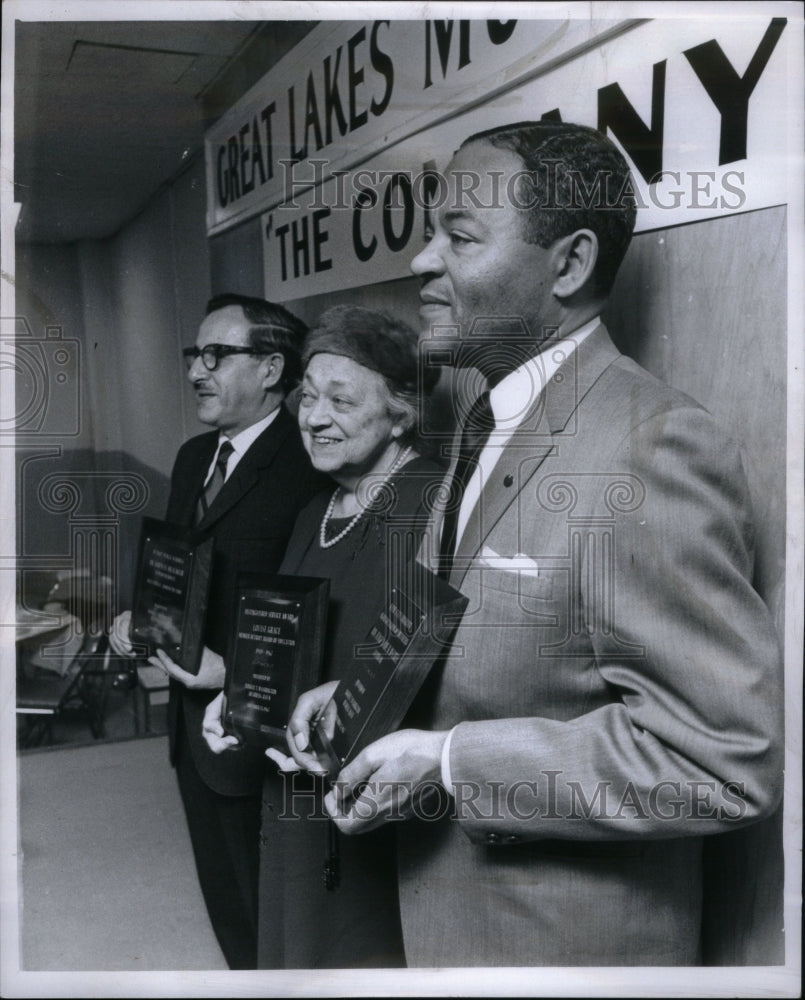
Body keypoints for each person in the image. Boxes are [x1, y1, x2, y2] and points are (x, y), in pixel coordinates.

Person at [283, 122, 784, 966]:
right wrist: (362, 695)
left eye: (459, 237)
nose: (420, 261)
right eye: (430, 231)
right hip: (448, 924)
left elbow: (719, 759)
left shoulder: (649, 447)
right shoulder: (479, 422)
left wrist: (448, 764)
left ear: (569, 263)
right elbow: (477, 637)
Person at [202, 305, 443, 968]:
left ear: (400, 412)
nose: (312, 417)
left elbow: (447, 670)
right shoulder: (316, 508)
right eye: (308, 397)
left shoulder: (435, 502)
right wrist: (240, 698)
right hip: (294, 800)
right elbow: (283, 647)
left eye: (340, 400)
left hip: (377, 812)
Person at [108, 293, 326, 969]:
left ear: (270, 368)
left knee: (276, 920)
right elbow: (179, 571)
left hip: (261, 730)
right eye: (194, 355)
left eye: (216, 355)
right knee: (226, 907)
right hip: (188, 725)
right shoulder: (195, 454)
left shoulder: (308, 465)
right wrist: (137, 617)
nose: (197, 370)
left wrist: (230, 673)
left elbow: (319, 610)